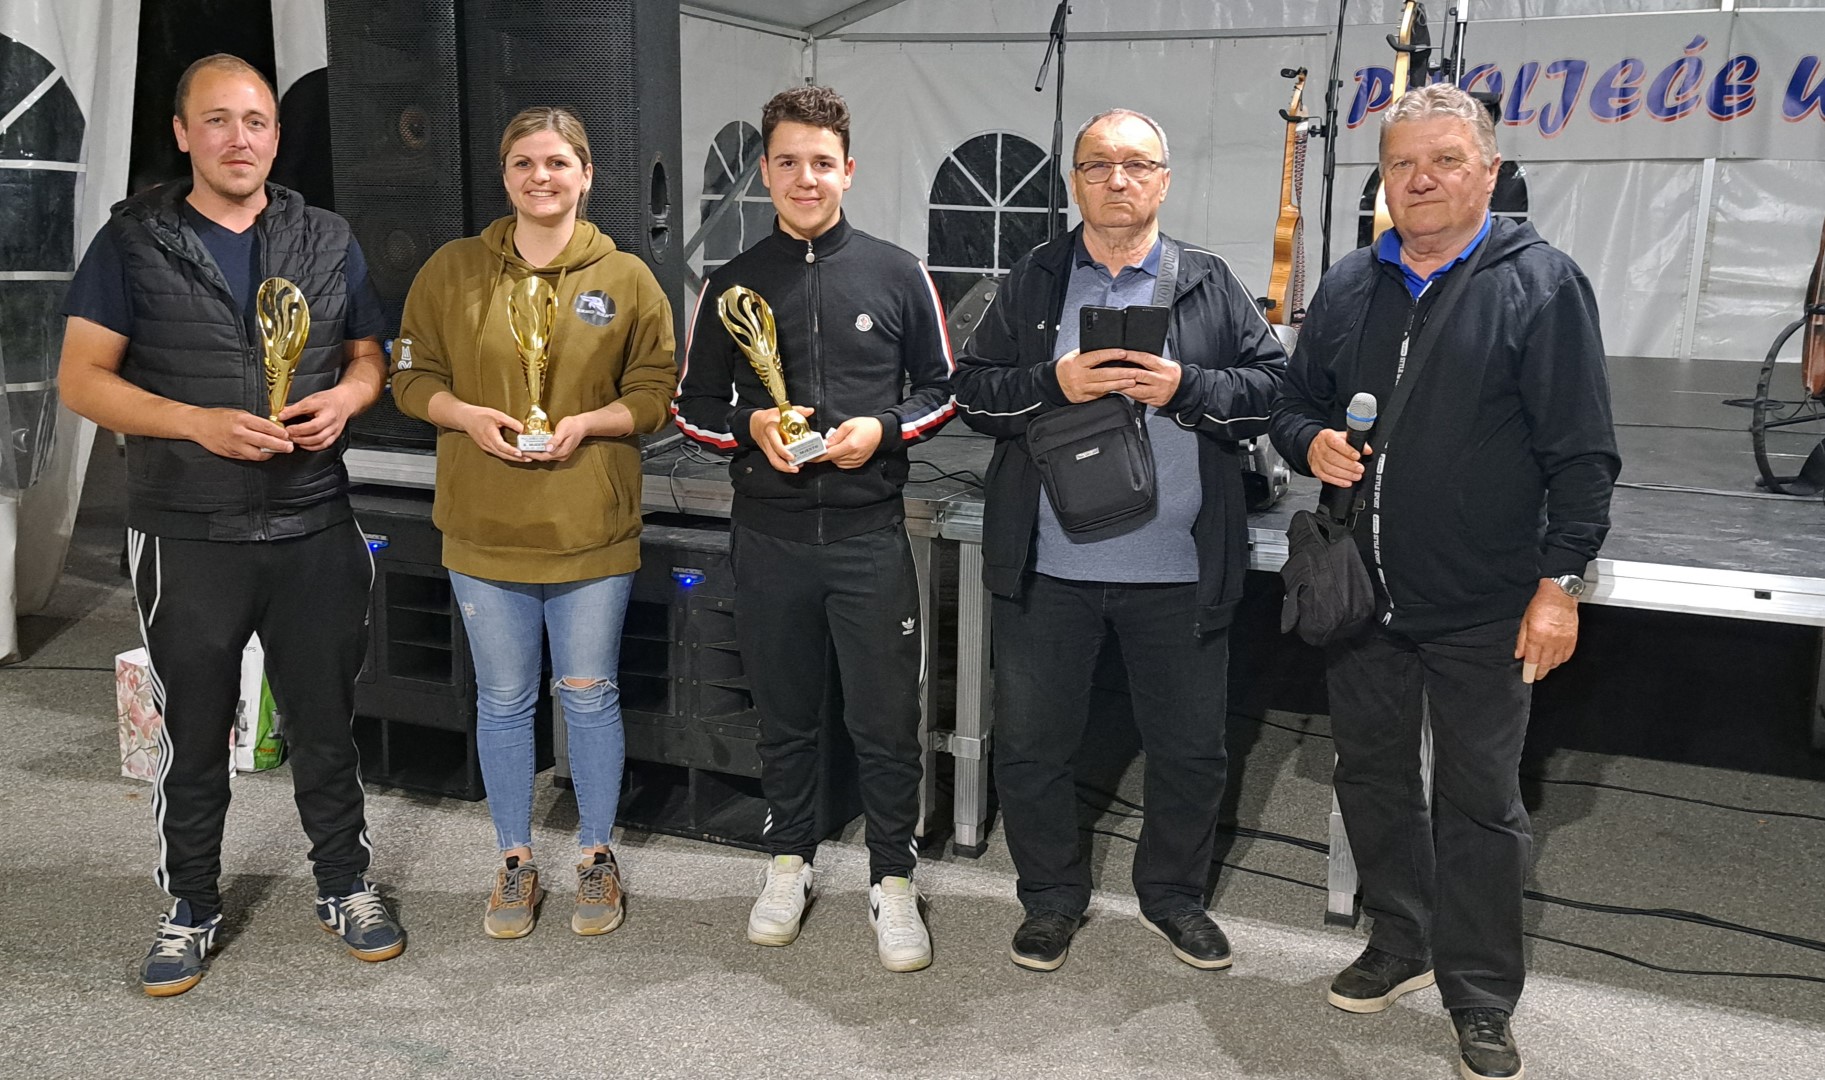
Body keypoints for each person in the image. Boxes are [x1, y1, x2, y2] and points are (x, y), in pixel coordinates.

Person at [1269, 83, 1618, 1080]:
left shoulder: (1540, 285)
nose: (1421, 179)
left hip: (1484, 605)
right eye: (1402, 163)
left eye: (1445, 160)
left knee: (1479, 802)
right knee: (1370, 778)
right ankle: (1401, 938)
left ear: (1489, 172)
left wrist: (1559, 584)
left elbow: (1582, 454)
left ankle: (1479, 992)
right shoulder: (1348, 285)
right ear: (1383, 177)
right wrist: (1310, 440)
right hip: (1361, 597)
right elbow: (1290, 405)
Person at [58, 54, 402, 996]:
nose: (238, 138)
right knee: (195, 730)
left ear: (276, 136)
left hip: (312, 521)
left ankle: (345, 884)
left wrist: (348, 399)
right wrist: (195, 423)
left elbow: (369, 356)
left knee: (326, 726)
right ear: (182, 134)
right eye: (216, 120)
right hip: (186, 530)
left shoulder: (326, 236)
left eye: (254, 120)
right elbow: (81, 379)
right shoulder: (131, 242)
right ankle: (191, 905)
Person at [952, 109, 1286, 974]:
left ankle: (1172, 897)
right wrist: (1053, 381)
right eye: (1097, 164)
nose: (1117, 179)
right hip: (1048, 565)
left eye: (1136, 164)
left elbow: (1273, 390)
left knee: (1189, 752)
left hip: (1179, 569)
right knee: (1033, 747)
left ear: (1163, 180)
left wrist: (1186, 386)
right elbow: (973, 392)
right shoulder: (1032, 279)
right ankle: (1049, 898)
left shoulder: (1206, 282)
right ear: (1075, 181)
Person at [672, 85, 955, 972]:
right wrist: (750, 426)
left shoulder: (898, 272)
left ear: (848, 171)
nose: (806, 178)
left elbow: (942, 390)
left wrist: (883, 429)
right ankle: (788, 861)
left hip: (870, 538)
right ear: (764, 171)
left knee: (885, 721)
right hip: (770, 538)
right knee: (785, 717)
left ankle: (892, 878)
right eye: (788, 162)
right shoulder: (730, 282)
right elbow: (691, 407)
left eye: (822, 163)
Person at [391, 106, 677, 940]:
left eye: (556, 162)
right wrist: (463, 415)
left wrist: (588, 423)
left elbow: (655, 392)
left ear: (586, 175)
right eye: (523, 163)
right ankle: (514, 859)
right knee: (506, 700)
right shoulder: (451, 270)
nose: (540, 177)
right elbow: (410, 377)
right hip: (484, 527)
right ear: (505, 175)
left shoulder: (627, 278)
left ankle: (595, 854)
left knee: (588, 696)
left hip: (590, 528)